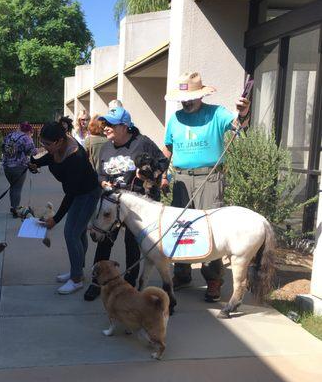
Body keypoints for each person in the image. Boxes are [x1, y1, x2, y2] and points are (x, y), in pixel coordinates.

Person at [162, 71, 251, 302]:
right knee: (180, 227)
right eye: (183, 99)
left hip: (209, 178)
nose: (186, 102)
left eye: (190, 97)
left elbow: (238, 124)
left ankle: (213, 279)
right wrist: (163, 173)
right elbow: (168, 148)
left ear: (201, 95)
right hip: (181, 178)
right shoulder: (175, 118)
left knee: (211, 228)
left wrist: (243, 111)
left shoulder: (216, 113)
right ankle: (182, 273)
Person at [83, 107, 169, 301]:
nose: (106, 128)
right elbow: (100, 173)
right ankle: (98, 283)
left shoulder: (142, 143)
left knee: (132, 245)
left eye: (111, 124)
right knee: (104, 243)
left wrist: (148, 173)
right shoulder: (106, 147)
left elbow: (163, 162)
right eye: (105, 124)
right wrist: (102, 182)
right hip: (111, 205)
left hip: (134, 208)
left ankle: (129, 286)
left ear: (124, 126)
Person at [29, 122, 101, 295]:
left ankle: (76, 280)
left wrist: (56, 219)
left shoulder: (75, 157)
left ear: (60, 141)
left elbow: (71, 194)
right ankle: (78, 270)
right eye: (42, 142)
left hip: (87, 194)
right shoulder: (58, 148)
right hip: (77, 192)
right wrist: (36, 164)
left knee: (71, 233)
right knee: (79, 233)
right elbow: (50, 158)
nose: (44, 147)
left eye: (47, 144)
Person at [2, 121, 37, 217]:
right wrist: (42, 149)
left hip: (6, 166)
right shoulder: (26, 138)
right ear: (29, 131)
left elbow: (2, 148)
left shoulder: (9, 136)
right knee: (17, 188)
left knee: (12, 186)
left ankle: (13, 207)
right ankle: (16, 209)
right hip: (19, 167)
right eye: (31, 133)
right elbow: (33, 152)